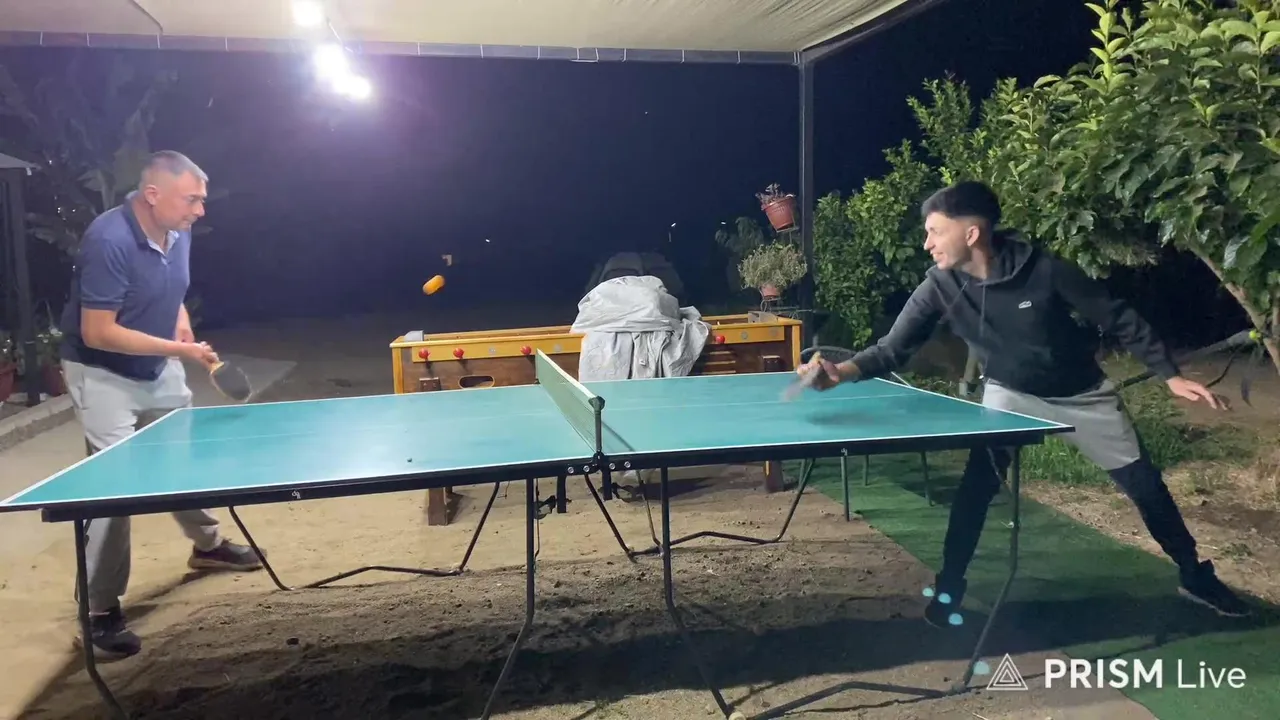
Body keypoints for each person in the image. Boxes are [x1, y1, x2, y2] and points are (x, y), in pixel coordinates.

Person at [799, 180, 1251, 623]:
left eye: (935, 232)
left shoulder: (1046, 270)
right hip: (1010, 394)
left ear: (971, 233)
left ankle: (1194, 575)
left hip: (1083, 396)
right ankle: (950, 585)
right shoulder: (939, 285)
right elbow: (891, 349)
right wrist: (841, 373)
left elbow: (1118, 318)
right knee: (976, 487)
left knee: (1146, 487)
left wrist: (1170, 375)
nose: (927, 244)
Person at [58, 150, 265, 659]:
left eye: (201, 200)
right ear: (153, 195)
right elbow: (97, 331)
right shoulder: (109, 240)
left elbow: (171, 291)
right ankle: (99, 610)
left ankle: (208, 546)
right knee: (116, 489)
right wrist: (180, 350)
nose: (200, 210)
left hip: (157, 366)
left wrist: (182, 327)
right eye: (191, 199)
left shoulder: (177, 229)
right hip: (102, 375)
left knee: (180, 462)